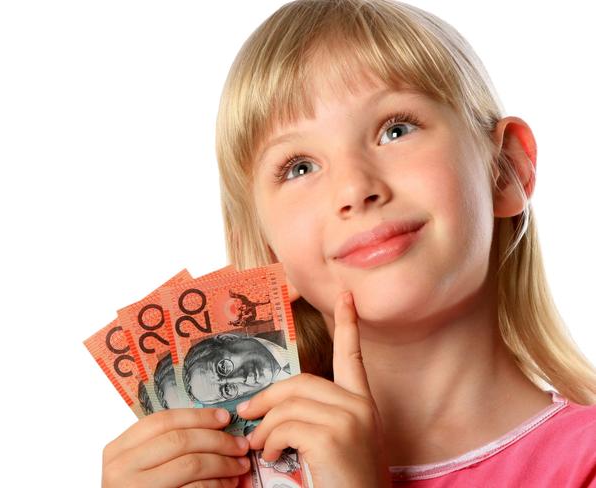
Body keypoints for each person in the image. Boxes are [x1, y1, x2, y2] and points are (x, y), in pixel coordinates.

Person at [101, 1, 596, 487]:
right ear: (264, 254)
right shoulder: (220, 472)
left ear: (506, 170)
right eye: (300, 167)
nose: (355, 189)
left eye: (395, 130)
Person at [181, 332, 293, 405]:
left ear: (228, 338)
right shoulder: (287, 404)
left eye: (223, 368)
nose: (240, 378)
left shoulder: (287, 333)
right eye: (227, 390)